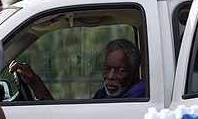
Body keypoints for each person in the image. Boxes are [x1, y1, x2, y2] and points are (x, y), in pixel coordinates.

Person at [9, 38, 145, 100]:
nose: (110, 76)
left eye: (120, 70)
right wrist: (35, 83)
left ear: (133, 71)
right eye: (106, 68)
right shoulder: (104, 93)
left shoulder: (138, 94)